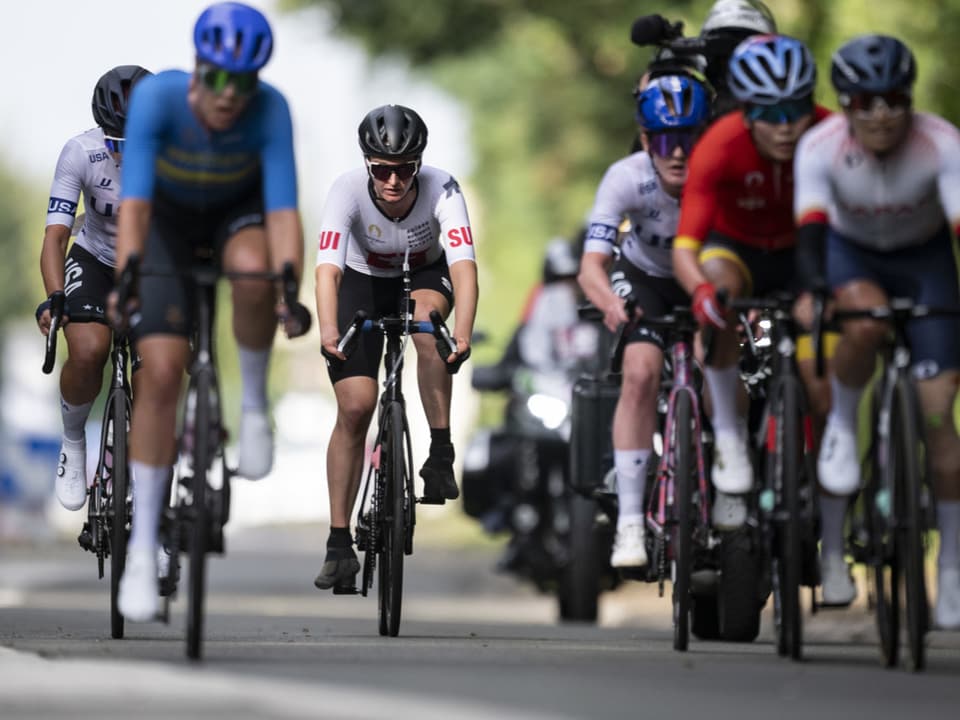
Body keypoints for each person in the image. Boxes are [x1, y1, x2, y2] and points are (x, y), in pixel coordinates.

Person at [112, 1, 310, 621]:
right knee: (162, 372)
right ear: (198, 68)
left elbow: (283, 215)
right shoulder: (159, 102)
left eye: (244, 82)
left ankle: (253, 405)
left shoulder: (271, 110)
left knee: (254, 273)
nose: (231, 96)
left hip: (236, 213)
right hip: (168, 219)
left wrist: (289, 292)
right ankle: (143, 548)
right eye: (220, 78)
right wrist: (126, 281)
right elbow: (136, 209)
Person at [794, 35, 960, 623]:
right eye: (866, 102)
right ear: (844, 105)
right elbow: (810, 231)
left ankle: (952, 569)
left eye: (894, 99)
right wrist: (817, 289)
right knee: (861, 323)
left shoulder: (941, 143)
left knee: (940, 419)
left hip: (924, 261)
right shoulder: (819, 147)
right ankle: (842, 423)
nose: (882, 115)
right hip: (852, 254)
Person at [313, 104, 478, 591]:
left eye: (405, 169)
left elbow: (465, 267)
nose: (393, 180)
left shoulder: (442, 187)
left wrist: (462, 331)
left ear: (419, 165)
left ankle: (440, 453)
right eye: (382, 170)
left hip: (422, 275)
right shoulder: (345, 191)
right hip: (361, 285)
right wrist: (327, 329)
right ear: (367, 165)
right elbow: (328, 270)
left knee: (428, 328)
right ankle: (339, 543)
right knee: (356, 406)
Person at [671, 34, 831, 531]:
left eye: (796, 109)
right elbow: (685, 248)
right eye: (769, 113)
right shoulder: (720, 144)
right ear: (744, 108)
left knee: (821, 371)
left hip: (804, 253)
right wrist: (701, 294)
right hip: (736, 249)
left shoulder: (831, 132)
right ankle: (732, 442)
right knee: (720, 296)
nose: (785, 129)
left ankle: (825, 479)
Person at [578, 74, 711, 568]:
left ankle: (728, 478)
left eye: (689, 140)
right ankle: (631, 523)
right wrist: (611, 303)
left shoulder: (717, 173)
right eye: (665, 141)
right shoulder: (627, 176)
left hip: (704, 274)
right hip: (646, 279)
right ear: (645, 140)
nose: (678, 154)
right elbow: (592, 266)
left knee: (715, 363)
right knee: (639, 373)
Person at [37, 65, 152, 512]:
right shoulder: (80, 152)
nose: (122, 153)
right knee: (87, 350)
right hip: (95, 256)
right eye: (114, 141)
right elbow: (54, 238)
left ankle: (148, 484)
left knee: (155, 377)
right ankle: (73, 441)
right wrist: (54, 297)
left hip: (151, 263)